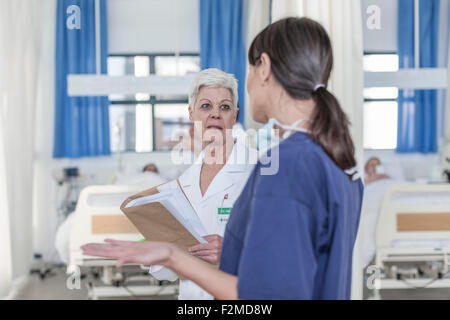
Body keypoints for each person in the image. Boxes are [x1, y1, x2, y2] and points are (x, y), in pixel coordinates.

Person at [82, 17, 364, 300]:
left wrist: (173, 255)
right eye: (205, 106)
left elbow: (260, 296)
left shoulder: (284, 167)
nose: (250, 85)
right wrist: (165, 254)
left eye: (250, 70)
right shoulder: (341, 164)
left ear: (263, 68)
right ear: (191, 112)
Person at [149, 68, 257, 300]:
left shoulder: (258, 170)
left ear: (235, 116)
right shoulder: (181, 184)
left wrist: (231, 251)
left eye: (225, 107)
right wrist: (158, 253)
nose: (215, 114)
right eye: (206, 106)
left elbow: (282, 248)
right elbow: (167, 271)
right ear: (191, 113)